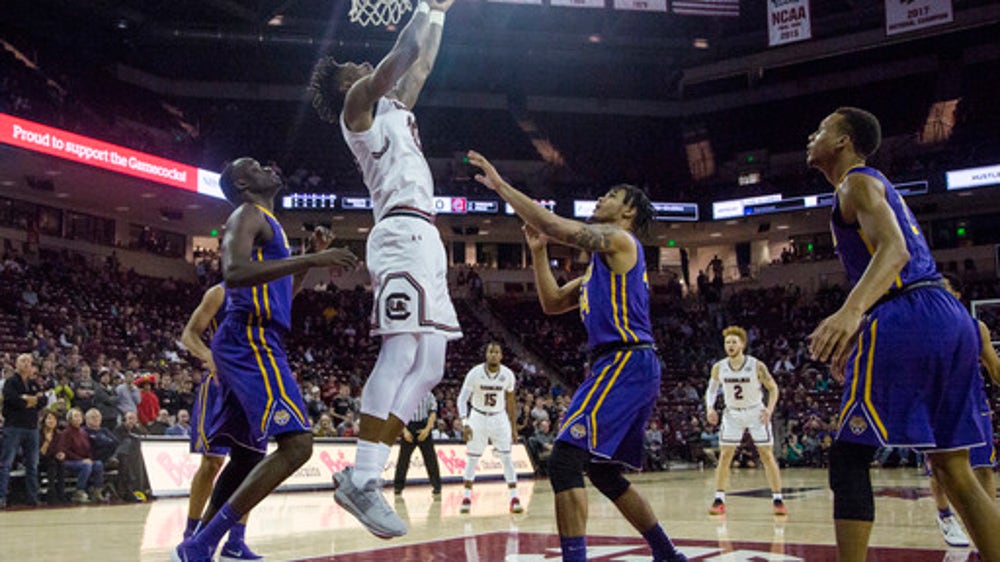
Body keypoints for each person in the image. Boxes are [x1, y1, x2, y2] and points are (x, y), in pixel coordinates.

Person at [466, 150, 687, 562]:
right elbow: (550, 303)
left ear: (629, 212)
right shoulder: (595, 269)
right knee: (602, 471)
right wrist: (536, 252)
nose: (600, 199)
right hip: (620, 364)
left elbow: (554, 223)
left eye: (610, 195)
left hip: (626, 359)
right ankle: (667, 554)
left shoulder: (621, 241)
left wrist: (500, 186)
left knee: (565, 460)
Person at [806, 107, 1000, 562]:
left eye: (821, 129)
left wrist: (850, 313)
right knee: (954, 467)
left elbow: (893, 252)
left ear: (843, 141)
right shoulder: (872, 185)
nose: (811, 136)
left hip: (908, 311)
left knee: (850, 456)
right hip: (948, 315)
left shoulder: (854, 181)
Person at [308, 0, 461, 539]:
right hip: (397, 233)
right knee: (400, 350)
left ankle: (366, 472)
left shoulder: (395, 107)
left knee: (432, 367)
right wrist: (421, 7)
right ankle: (365, 477)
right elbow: (403, 53)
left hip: (426, 235)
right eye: (351, 65)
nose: (357, 63)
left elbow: (420, 65)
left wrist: (438, 13)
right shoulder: (357, 104)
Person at [171, 157, 358, 562]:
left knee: (249, 454)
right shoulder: (247, 213)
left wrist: (310, 257)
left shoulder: (270, 227)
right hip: (249, 338)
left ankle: (201, 544)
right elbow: (234, 273)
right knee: (298, 446)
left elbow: (282, 296)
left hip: (257, 335)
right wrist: (310, 260)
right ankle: (199, 544)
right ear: (242, 182)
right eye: (254, 165)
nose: (268, 166)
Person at [178, 282, 261, 561]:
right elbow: (189, 334)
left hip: (252, 387)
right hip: (220, 386)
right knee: (212, 463)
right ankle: (191, 536)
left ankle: (235, 541)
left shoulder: (267, 296)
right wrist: (208, 356)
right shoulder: (220, 293)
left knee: (249, 466)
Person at [926, 273, 1000, 547]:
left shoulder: (975, 327)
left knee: (984, 468)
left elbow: (994, 368)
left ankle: (988, 523)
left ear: (957, 295)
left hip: (973, 403)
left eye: (943, 288)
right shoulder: (922, 328)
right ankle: (945, 515)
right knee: (941, 468)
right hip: (936, 405)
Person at [704, 325, 786, 515]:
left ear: (742, 344)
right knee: (725, 456)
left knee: (766, 455)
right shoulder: (719, 367)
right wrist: (710, 408)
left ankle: (778, 499)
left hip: (755, 412)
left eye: (734, 342)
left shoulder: (756, 365)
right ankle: (719, 499)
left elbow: (773, 388)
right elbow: (711, 389)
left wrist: (770, 410)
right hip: (732, 413)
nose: (730, 345)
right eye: (727, 342)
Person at [456, 342, 523, 514]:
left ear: (501, 355)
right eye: (490, 351)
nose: (493, 354)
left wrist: (513, 427)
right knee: (472, 459)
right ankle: (466, 497)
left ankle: (514, 497)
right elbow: (462, 399)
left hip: (499, 417)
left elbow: (510, 402)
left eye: (497, 352)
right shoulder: (475, 373)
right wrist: (465, 423)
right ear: (486, 354)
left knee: (507, 458)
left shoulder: (508, 375)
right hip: (477, 416)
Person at [0, 353, 46, 508]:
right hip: (13, 427)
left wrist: (29, 399)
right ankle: (2, 497)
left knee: (33, 464)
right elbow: (11, 399)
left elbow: (43, 400)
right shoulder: (10, 382)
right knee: (6, 462)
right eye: (23, 361)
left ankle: (32, 497)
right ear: (16, 364)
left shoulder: (34, 383)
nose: (26, 363)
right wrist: (31, 400)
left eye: (29, 361)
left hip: (32, 427)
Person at [392, 391, 442, 496]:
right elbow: (398, 414)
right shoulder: (404, 394)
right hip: (408, 426)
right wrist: (404, 431)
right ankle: (398, 487)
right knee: (403, 459)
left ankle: (437, 486)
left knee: (430, 458)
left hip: (423, 426)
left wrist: (427, 430)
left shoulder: (428, 394)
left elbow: (433, 413)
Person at [56, 408, 105, 503]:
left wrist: (89, 458)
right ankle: (79, 491)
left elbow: (88, 449)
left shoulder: (83, 432)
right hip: (70, 460)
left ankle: (97, 490)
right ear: (70, 419)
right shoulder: (66, 433)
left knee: (98, 464)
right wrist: (81, 460)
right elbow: (65, 450)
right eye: (75, 416)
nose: (78, 418)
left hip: (82, 460)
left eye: (79, 416)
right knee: (86, 466)